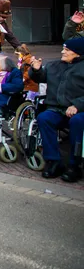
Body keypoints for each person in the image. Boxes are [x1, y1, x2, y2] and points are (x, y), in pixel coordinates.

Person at [30, 38, 84, 181]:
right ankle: (54, 161)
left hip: (79, 110)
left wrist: (77, 105)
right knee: (44, 118)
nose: (62, 51)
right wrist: (36, 70)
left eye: (66, 49)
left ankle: (75, 165)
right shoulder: (54, 65)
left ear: (78, 53)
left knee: (77, 122)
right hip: (57, 109)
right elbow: (40, 78)